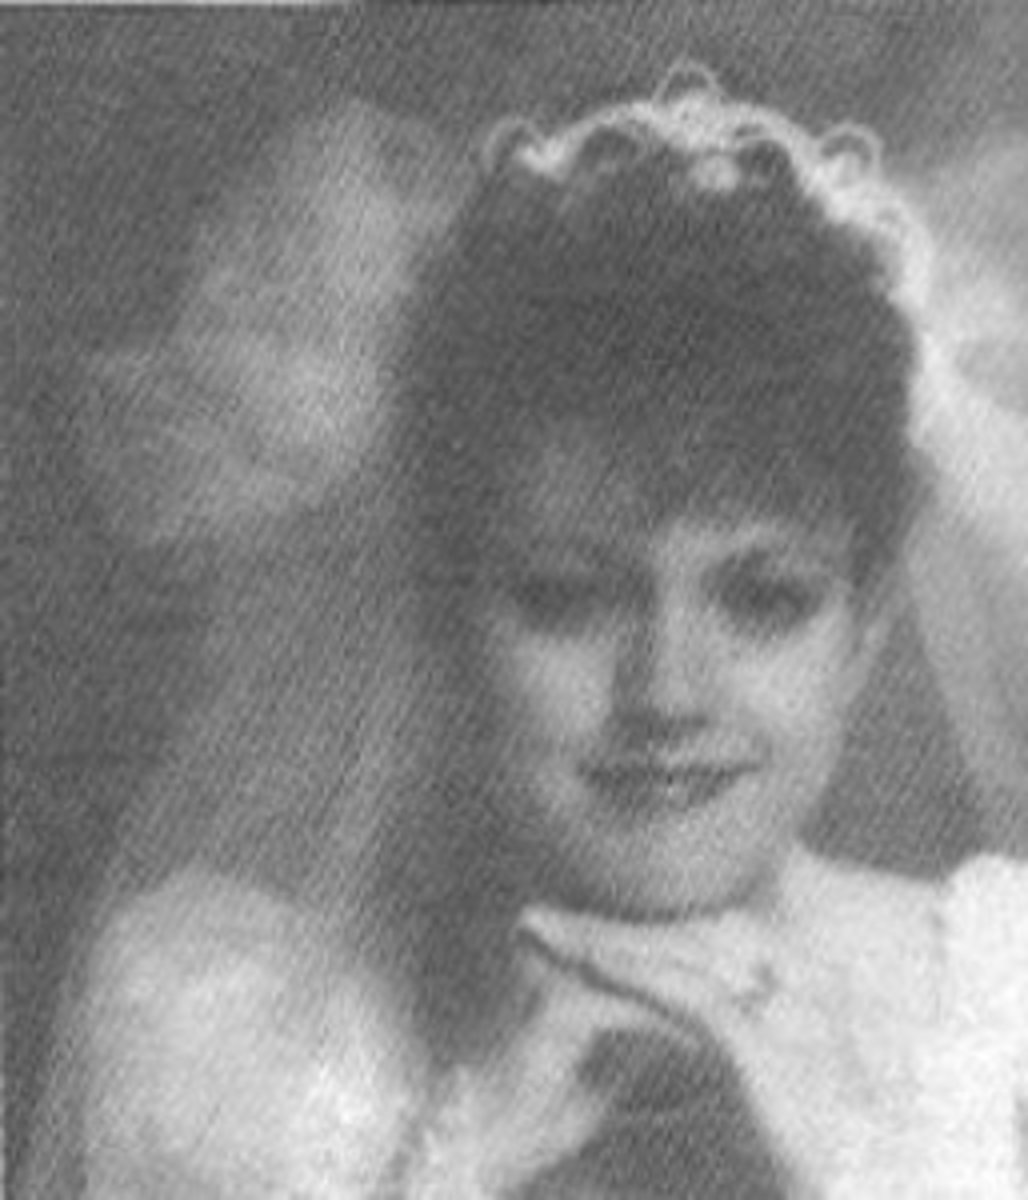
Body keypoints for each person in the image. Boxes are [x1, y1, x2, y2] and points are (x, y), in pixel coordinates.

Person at [17, 67, 1028, 1199]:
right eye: (568, 598)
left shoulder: (1002, 1006)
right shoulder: (225, 1030)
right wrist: (456, 1162)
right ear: (451, 620)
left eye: (763, 600)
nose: (666, 691)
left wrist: (853, 1172)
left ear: (865, 632)